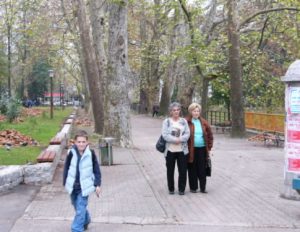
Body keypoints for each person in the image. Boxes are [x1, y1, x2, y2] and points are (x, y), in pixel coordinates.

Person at [63, 130, 101, 232]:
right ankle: (86, 219)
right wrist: (64, 181)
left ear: (87, 142)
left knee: (80, 209)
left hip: (84, 187)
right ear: (75, 142)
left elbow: (96, 170)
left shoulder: (91, 154)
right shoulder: (71, 153)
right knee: (77, 207)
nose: (81, 144)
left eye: (83, 142)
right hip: (72, 186)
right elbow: (66, 167)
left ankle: (76, 229)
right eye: (79, 142)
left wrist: (97, 184)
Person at [162, 102, 190, 195]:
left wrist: (180, 139)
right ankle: (171, 189)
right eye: (174, 110)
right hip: (170, 150)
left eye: (178, 110)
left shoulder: (183, 121)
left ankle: (181, 189)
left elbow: (187, 133)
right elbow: (165, 135)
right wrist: (175, 140)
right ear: (171, 111)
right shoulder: (167, 122)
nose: (176, 112)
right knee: (170, 170)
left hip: (182, 150)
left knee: (182, 171)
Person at [186, 103, 213, 193]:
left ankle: (203, 188)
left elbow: (210, 135)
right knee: (192, 168)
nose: (196, 113)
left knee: (202, 168)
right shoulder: (186, 122)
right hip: (191, 149)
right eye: (194, 111)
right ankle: (193, 188)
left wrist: (209, 147)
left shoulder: (204, 122)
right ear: (191, 112)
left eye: (198, 111)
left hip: (202, 149)